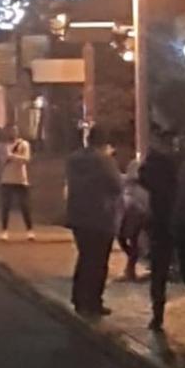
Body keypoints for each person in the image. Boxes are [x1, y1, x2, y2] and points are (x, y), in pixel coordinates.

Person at [65, 126, 123, 319]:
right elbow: (116, 185)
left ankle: (79, 298)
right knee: (99, 261)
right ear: (104, 141)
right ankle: (94, 301)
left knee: (85, 258)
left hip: (77, 214)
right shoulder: (104, 160)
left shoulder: (73, 159)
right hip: (100, 215)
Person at [145, 132, 185, 331]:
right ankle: (157, 313)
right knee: (160, 270)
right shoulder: (163, 163)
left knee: (162, 270)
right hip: (168, 222)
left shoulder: (172, 162)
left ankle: (157, 313)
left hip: (175, 223)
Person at [0, 124, 34, 240]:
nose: (12, 133)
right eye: (10, 131)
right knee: (6, 206)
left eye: (14, 131)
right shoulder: (2, 146)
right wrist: (15, 157)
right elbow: (3, 160)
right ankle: (4, 231)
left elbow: (26, 159)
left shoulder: (24, 144)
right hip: (6, 179)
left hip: (21, 179)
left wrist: (12, 156)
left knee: (25, 206)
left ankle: (30, 231)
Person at [117, 156, 150, 283]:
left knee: (131, 241)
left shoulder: (140, 188)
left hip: (134, 216)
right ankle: (131, 266)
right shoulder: (127, 183)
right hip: (128, 216)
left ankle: (130, 268)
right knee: (127, 241)